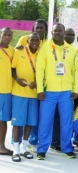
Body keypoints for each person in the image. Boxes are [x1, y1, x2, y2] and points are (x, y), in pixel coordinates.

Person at [36, 23, 78, 160]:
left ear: (64, 32)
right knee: (45, 121)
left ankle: (67, 148)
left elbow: (76, 71)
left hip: (66, 92)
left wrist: (75, 89)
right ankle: (42, 149)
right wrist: (39, 89)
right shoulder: (45, 48)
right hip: (48, 92)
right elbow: (40, 69)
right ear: (52, 32)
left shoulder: (72, 50)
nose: (58, 33)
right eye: (55, 31)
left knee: (67, 121)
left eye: (60, 31)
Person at [11, 33, 40, 162]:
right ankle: (15, 149)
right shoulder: (19, 51)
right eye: (32, 40)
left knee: (29, 122)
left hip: (33, 94)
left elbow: (42, 74)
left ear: (40, 42)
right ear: (27, 41)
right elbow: (12, 69)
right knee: (18, 122)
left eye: (37, 40)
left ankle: (24, 147)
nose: (34, 42)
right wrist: (17, 79)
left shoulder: (41, 54)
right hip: (19, 93)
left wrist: (37, 84)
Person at [0, 27, 14, 156]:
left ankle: (1, 147)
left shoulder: (13, 51)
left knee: (3, 121)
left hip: (6, 92)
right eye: (5, 34)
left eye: (10, 35)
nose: (7, 37)